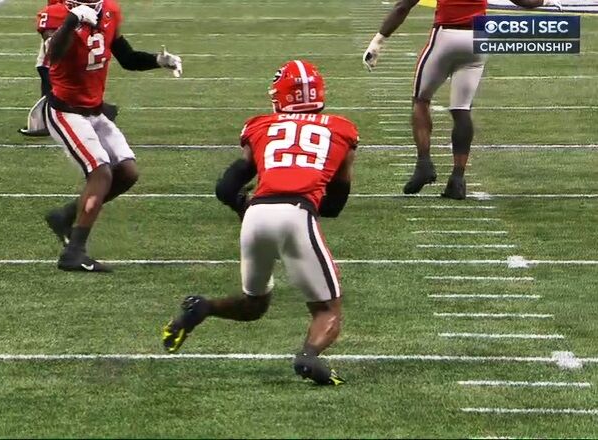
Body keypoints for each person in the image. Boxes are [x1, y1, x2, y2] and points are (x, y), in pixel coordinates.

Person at [162, 60, 358, 386]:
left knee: (254, 304)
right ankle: (308, 358)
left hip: (256, 215)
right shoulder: (341, 129)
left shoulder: (260, 125)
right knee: (328, 310)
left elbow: (225, 188)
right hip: (297, 214)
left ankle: (202, 308)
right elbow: (336, 205)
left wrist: (245, 207)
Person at [37, 0, 182, 272]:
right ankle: (74, 252)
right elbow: (52, 55)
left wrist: (158, 61)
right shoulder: (57, 13)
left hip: (93, 110)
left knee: (127, 173)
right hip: (65, 111)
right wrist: (71, 22)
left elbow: (126, 58)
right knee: (101, 172)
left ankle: (66, 216)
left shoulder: (110, 11)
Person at [362, 0, 561, 199]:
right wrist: (544, 1)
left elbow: (403, 6)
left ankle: (424, 164)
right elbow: (524, 1)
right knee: (462, 108)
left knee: (421, 100)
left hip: (446, 35)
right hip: (477, 38)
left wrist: (378, 41)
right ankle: (457, 179)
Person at [20, 0, 119, 137]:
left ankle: (56, 117)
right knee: (47, 67)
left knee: (48, 66)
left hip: (73, 24)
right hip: (70, 22)